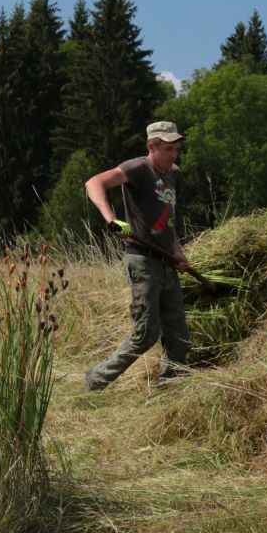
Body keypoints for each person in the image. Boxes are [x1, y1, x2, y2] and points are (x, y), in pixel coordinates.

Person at [84, 121, 191, 392]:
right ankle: (96, 379)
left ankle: (168, 389)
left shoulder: (173, 174)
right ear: (151, 146)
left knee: (179, 335)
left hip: (166, 260)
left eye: (176, 148)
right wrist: (112, 220)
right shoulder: (138, 169)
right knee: (146, 334)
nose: (173, 154)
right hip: (142, 260)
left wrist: (178, 251)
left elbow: (169, 220)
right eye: (168, 149)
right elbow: (94, 183)